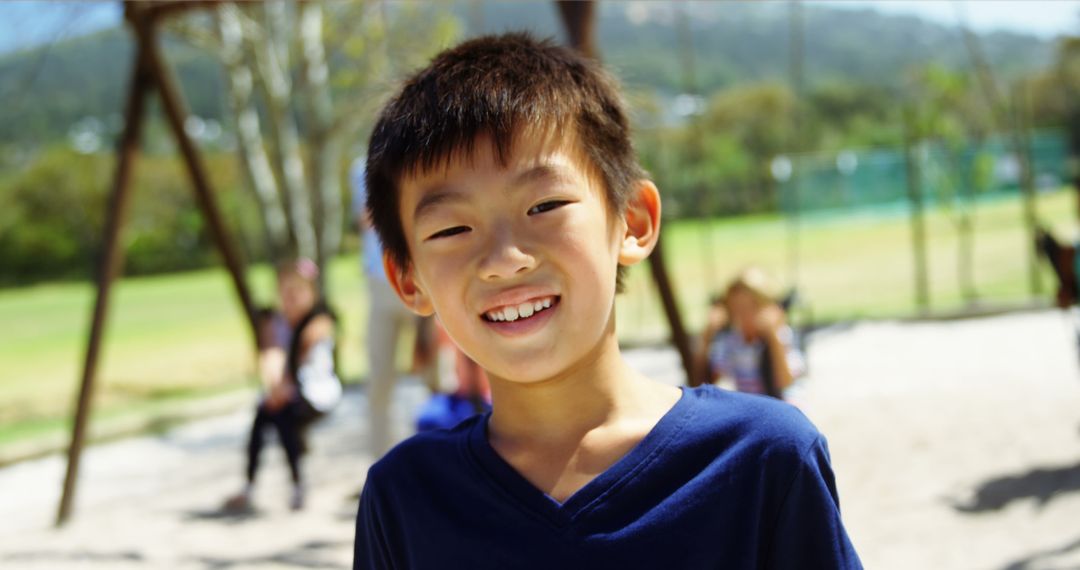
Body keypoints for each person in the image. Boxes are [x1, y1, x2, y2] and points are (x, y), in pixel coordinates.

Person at [353, 33, 861, 568]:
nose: (505, 258)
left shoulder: (762, 461)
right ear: (407, 278)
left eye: (545, 204)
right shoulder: (405, 499)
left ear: (633, 222)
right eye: (453, 229)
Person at [225, 259, 341, 512]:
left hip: (317, 393)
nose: (290, 299)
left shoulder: (317, 321)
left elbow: (299, 355)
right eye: (285, 292)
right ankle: (253, 484)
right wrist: (274, 388)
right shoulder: (274, 322)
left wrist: (281, 388)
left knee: (281, 414)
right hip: (288, 392)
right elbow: (271, 356)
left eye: (296, 292)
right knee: (266, 413)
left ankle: (297, 483)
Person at [351, 158, 438, 459]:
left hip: (424, 279)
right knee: (379, 381)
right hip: (380, 284)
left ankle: (443, 461)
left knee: (435, 374)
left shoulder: (423, 155)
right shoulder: (359, 167)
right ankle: (379, 465)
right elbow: (367, 218)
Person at [697, 267, 807, 400]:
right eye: (737, 309)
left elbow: (785, 382)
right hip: (753, 407)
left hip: (782, 406)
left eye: (751, 307)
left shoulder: (781, 335)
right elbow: (703, 382)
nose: (744, 316)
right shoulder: (733, 342)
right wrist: (708, 335)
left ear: (767, 307)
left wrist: (773, 339)